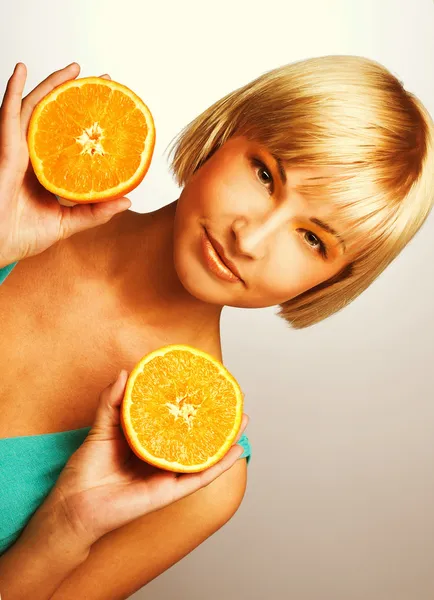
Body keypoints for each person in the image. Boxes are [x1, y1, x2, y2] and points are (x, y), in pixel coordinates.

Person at [0, 53, 432, 598]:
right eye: (265, 175)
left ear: (331, 281)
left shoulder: (200, 477)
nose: (249, 240)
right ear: (227, 131)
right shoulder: (11, 190)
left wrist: (64, 529)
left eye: (313, 239)